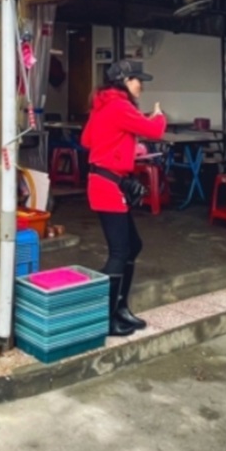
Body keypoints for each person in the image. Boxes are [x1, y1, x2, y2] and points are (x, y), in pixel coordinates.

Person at [80, 60, 166, 337]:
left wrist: (120, 149)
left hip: (106, 181)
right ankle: (105, 317)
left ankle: (120, 308)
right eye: (138, 80)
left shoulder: (103, 106)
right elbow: (155, 131)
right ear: (126, 81)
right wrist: (158, 115)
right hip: (108, 185)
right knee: (120, 252)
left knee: (133, 245)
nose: (141, 85)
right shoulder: (120, 106)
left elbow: (87, 140)